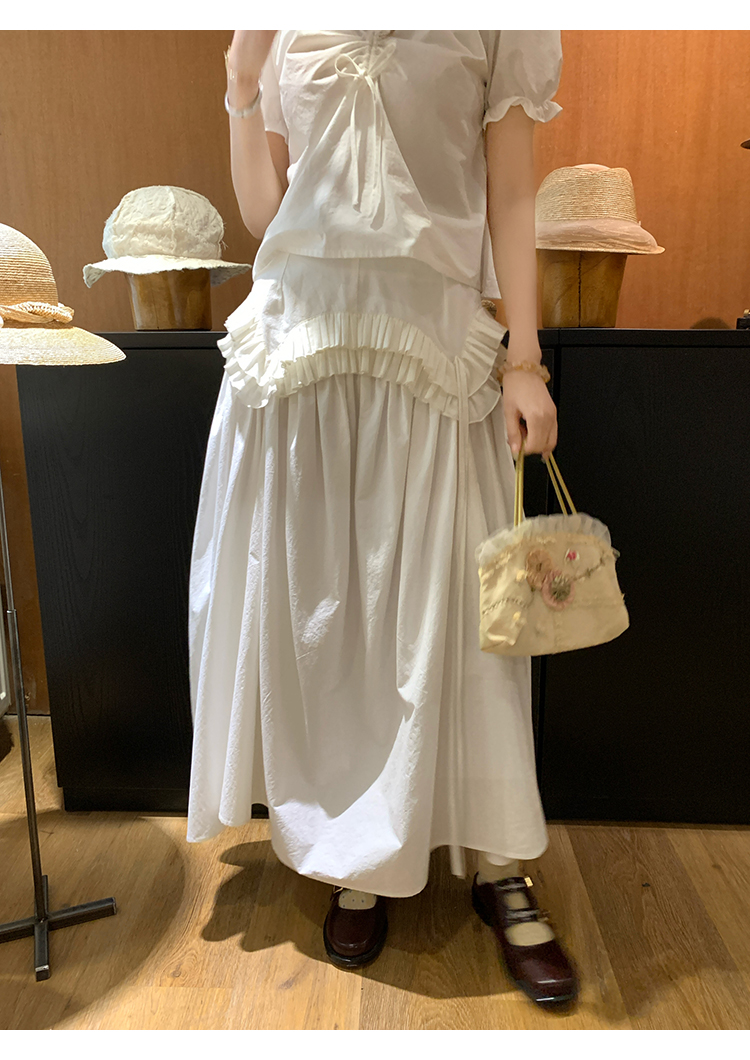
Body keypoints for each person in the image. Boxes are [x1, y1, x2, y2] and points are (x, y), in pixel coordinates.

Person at [187, 29, 578, 1008]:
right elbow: (270, 211)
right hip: (302, 343)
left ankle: (498, 860)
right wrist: (241, 82)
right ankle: (356, 852)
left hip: (431, 341)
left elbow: (512, 193)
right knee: (330, 620)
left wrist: (525, 358)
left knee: (464, 622)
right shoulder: (282, 21)